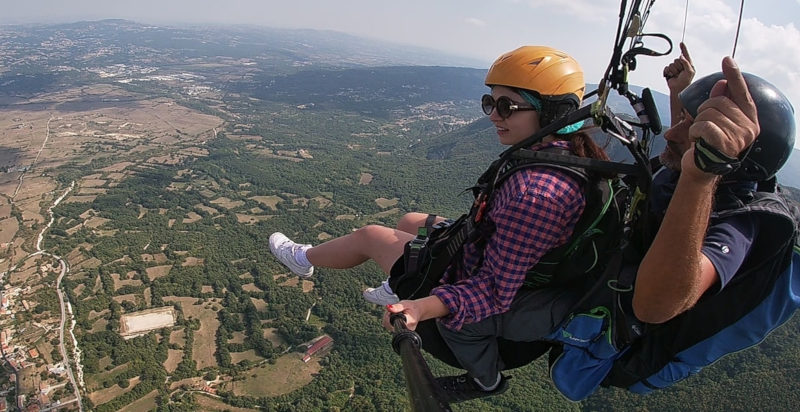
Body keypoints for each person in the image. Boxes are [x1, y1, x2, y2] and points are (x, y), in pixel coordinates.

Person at [270, 45, 612, 402]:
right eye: (489, 102)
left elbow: (494, 289)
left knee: (370, 236)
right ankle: (392, 281)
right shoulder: (568, 153)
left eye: (507, 106)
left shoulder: (536, 193)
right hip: (503, 256)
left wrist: (420, 307)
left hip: (495, 288)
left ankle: (303, 259)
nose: (493, 115)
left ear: (553, 112)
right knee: (410, 220)